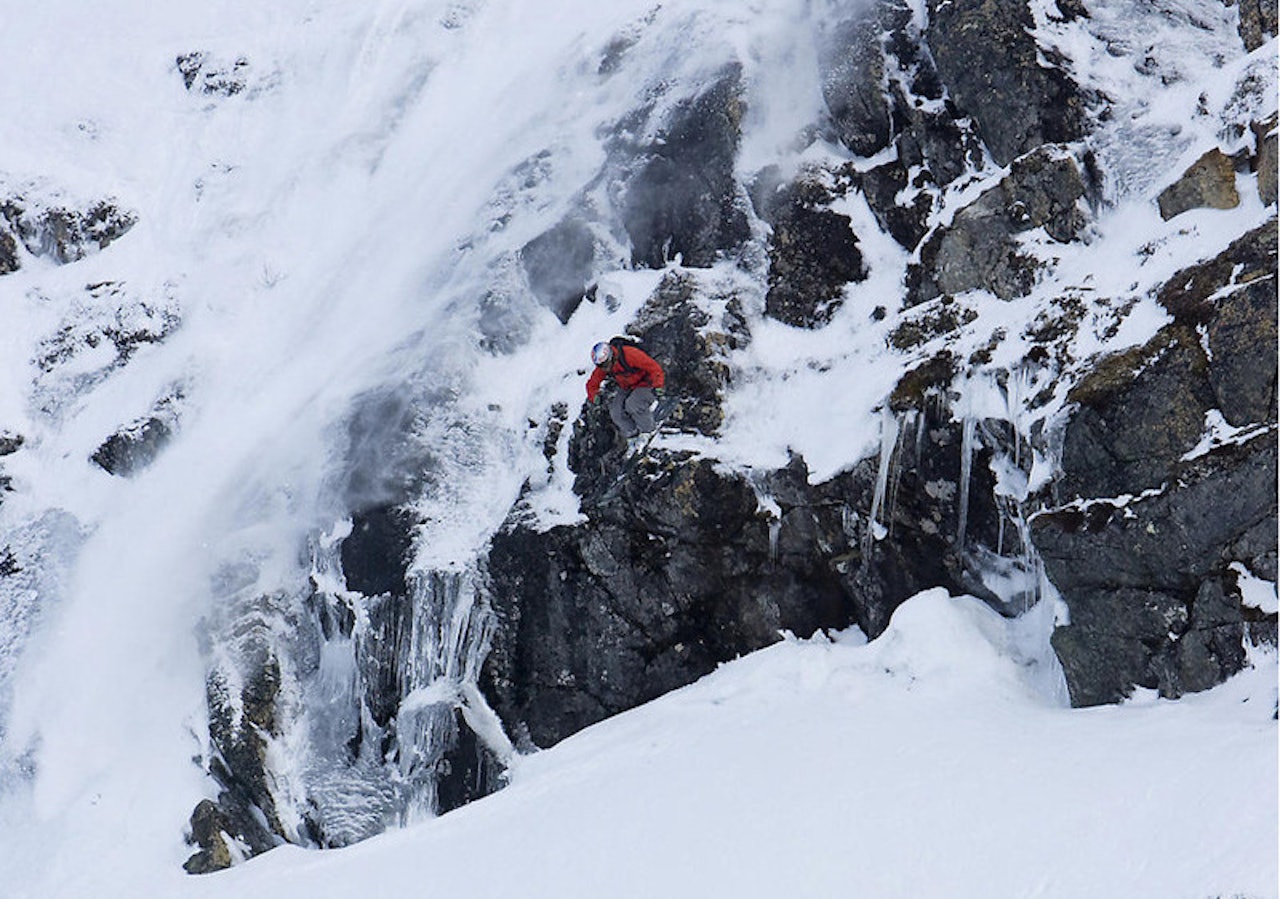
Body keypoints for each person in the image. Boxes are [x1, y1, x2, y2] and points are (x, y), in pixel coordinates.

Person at [586, 338, 665, 444]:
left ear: (611, 357)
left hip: (646, 384)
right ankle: (632, 435)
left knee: (633, 404)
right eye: (601, 366)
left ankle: (648, 430)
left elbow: (654, 368)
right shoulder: (605, 366)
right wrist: (594, 396)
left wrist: (658, 386)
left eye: (606, 365)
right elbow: (592, 383)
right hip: (627, 387)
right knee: (616, 412)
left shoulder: (630, 355)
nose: (605, 369)